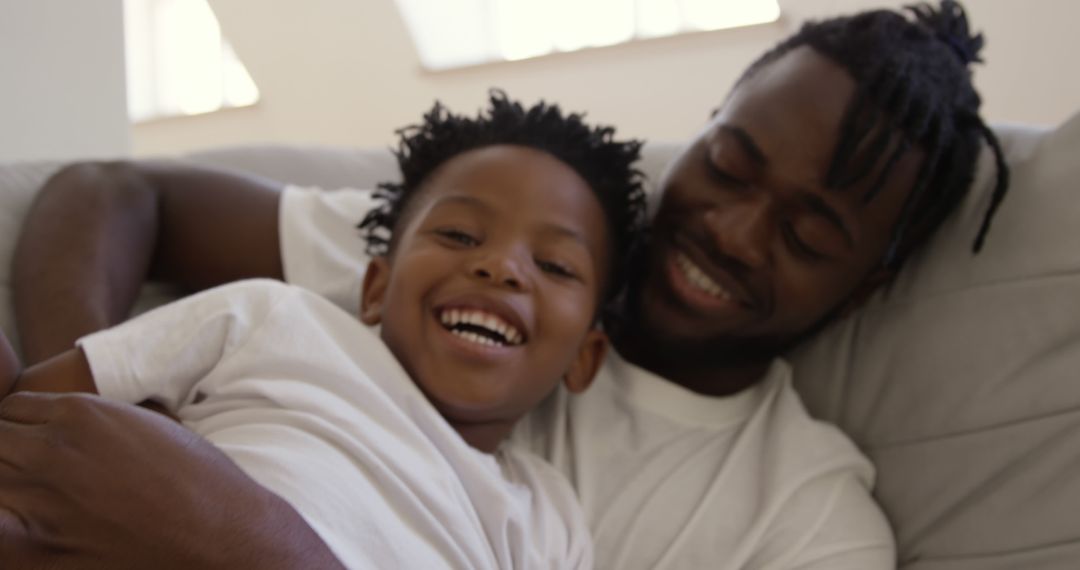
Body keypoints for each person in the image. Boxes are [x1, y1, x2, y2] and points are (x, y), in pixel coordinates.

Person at [0, 1, 1009, 568]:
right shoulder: (460, 258)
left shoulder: (807, 523)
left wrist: (240, 538)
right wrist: (113, 436)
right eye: (731, 163)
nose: (733, 229)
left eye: (806, 230)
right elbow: (113, 193)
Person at [0, 92, 650, 568]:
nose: (500, 266)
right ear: (373, 288)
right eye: (457, 234)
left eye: (555, 264)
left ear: (585, 359)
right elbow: (38, 416)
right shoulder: (276, 319)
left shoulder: (546, 515)